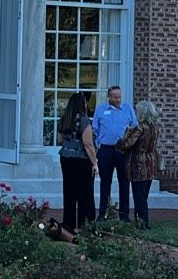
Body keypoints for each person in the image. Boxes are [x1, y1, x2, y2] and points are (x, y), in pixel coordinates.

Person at [92, 84, 139, 219]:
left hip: (122, 151)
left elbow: (134, 128)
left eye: (119, 97)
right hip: (105, 150)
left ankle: (124, 214)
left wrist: (129, 145)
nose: (118, 100)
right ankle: (103, 213)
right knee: (105, 183)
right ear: (109, 97)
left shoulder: (127, 109)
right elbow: (95, 129)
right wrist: (97, 146)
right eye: (114, 97)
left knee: (124, 182)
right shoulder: (101, 110)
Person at [56, 89, 98, 232]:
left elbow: (59, 140)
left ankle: (68, 224)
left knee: (69, 191)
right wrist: (95, 163)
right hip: (81, 160)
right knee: (84, 193)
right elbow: (88, 144)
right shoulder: (84, 121)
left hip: (66, 158)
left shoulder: (64, 119)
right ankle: (83, 224)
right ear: (82, 104)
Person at [125, 99, 162, 227]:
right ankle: (144, 221)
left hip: (139, 164)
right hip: (150, 162)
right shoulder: (155, 128)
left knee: (138, 195)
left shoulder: (140, 128)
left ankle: (141, 222)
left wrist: (126, 133)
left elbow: (127, 144)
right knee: (144, 195)